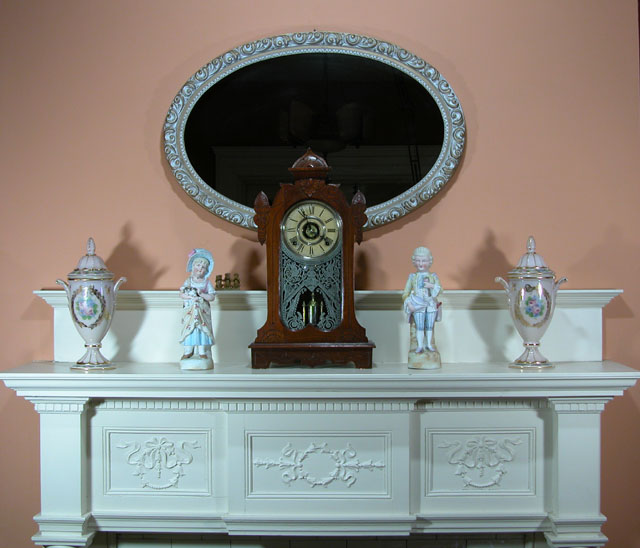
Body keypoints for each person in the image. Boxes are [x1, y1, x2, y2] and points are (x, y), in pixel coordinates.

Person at [402, 246, 441, 353]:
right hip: (418, 305)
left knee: (429, 326)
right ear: (414, 261)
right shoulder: (412, 277)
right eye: (418, 260)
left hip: (430, 304)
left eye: (423, 260)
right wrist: (409, 303)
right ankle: (419, 346)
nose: (420, 263)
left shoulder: (433, 276)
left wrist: (432, 286)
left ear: (429, 261)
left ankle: (428, 344)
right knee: (419, 326)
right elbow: (405, 293)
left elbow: (440, 289)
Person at [179, 248, 216, 360]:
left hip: (202, 313)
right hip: (190, 312)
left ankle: (202, 351)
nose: (200, 269)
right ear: (193, 267)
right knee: (190, 330)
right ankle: (188, 351)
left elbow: (212, 297)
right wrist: (190, 297)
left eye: (203, 267)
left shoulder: (206, 283)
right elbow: (181, 294)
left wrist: (202, 295)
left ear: (206, 270)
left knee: (202, 330)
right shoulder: (188, 281)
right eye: (198, 266)